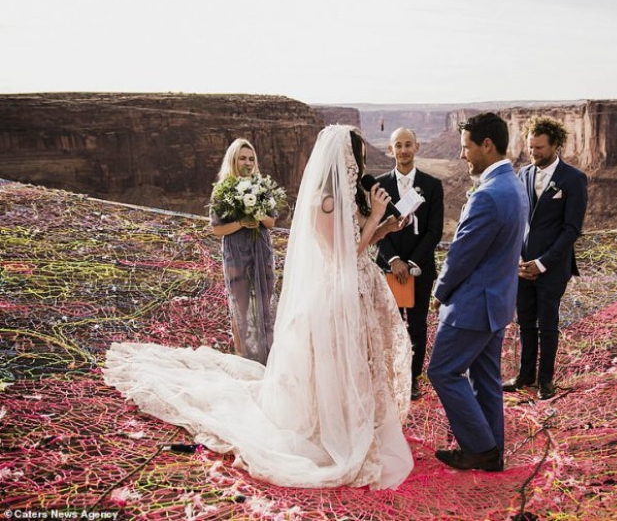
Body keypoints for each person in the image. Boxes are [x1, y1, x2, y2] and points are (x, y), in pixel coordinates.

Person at [104, 125, 414, 490]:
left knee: (358, 359)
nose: (362, 163)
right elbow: (341, 255)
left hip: (359, 290)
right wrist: (376, 216)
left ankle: (356, 420)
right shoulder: (324, 201)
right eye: (358, 156)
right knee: (334, 361)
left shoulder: (347, 196)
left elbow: (361, 242)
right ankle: (334, 428)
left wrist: (386, 228)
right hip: (337, 293)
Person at [427, 112, 528, 472]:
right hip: (497, 304)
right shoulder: (514, 185)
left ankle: (480, 448)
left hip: (472, 305)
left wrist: (439, 291)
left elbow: (462, 254)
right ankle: (493, 451)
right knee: (485, 379)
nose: (461, 156)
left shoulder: (488, 194)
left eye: (465, 147)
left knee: (442, 372)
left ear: (486, 145)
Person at [503, 116, 588, 400]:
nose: (533, 152)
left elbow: (571, 229)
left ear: (555, 145)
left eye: (539, 148)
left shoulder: (574, 179)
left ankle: (545, 380)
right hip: (522, 265)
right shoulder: (524, 173)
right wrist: (518, 259)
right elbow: (518, 220)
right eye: (530, 147)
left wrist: (542, 263)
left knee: (547, 324)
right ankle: (525, 374)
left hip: (551, 267)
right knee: (525, 321)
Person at [376, 127, 444, 401]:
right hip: (389, 268)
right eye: (398, 145)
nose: (403, 150)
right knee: (391, 324)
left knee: (416, 325)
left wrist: (412, 262)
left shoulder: (431, 185)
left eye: (408, 144)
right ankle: (391, 375)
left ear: (417, 147)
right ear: (390, 150)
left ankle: (413, 378)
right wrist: (394, 260)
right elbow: (374, 229)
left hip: (420, 269)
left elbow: (434, 230)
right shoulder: (379, 186)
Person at [210, 138, 277, 365]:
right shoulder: (223, 190)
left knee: (265, 304)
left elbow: (270, 223)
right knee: (240, 306)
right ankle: (242, 358)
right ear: (233, 160)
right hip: (236, 254)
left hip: (261, 252)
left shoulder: (262, 187)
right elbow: (217, 229)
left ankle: (266, 356)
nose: (247, 163)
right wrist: (241, 222)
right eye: (242, 158)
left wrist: (257, 214)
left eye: (251, 158)